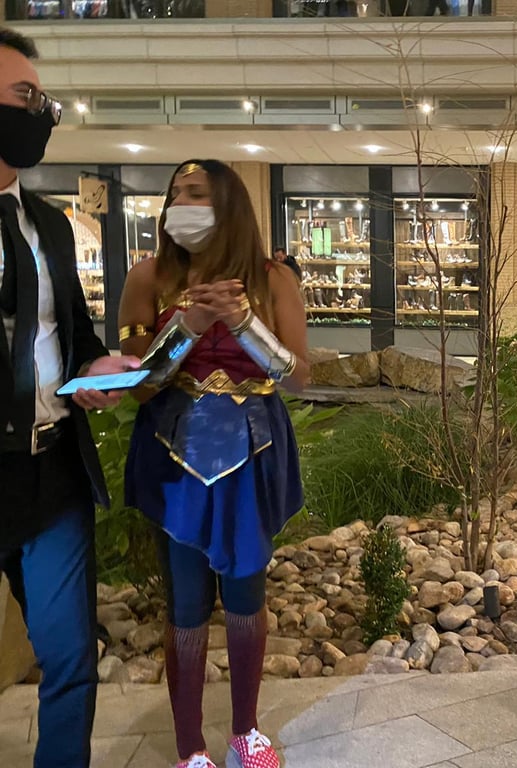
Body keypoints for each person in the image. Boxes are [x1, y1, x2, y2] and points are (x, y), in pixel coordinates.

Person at [118, 159, 310, 768]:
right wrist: (187, 326)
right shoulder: (147, 276)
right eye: (176, 193)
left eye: (195, 192)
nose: (181, 201)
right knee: (186, 604)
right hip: (176, 457)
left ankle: (246, 732)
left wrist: (241, 320)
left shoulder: (273, 278)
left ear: (227, 202)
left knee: (248, 592)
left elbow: (297, 376)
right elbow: (138, 384)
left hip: (253, 454)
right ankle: (188, 747)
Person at [0, 26, 143, 768]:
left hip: (53, 472)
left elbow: (77, 336)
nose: (41, 112)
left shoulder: (51, 227)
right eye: (26, 98)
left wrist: (101, 366)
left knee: (70, 659)